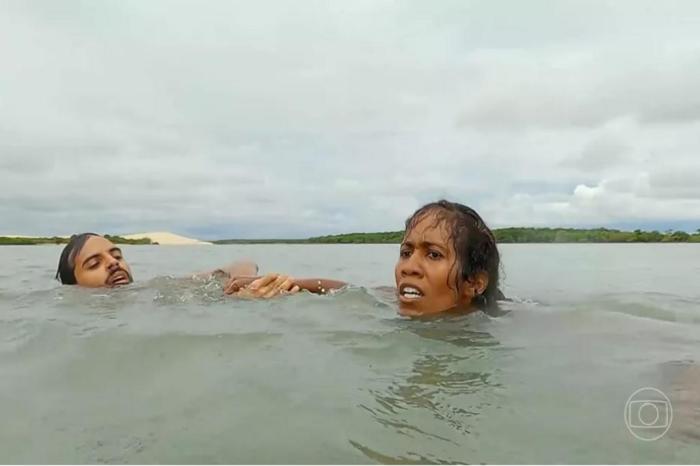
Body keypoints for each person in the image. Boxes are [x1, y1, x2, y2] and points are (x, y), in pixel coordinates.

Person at [225, 199, 503, 317]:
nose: (409, 267)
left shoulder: (500, 323)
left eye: (433, 254)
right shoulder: (390, 299)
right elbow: (341, 288)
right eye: (406, 253)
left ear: (475, 283)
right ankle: (236, 267)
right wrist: (276, 283)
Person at [55, 232, 258, 288]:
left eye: (117, 256)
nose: (113, 263)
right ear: (73, 286)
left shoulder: (155, 288)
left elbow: (241, 264)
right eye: (94, 264)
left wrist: (242, 282)